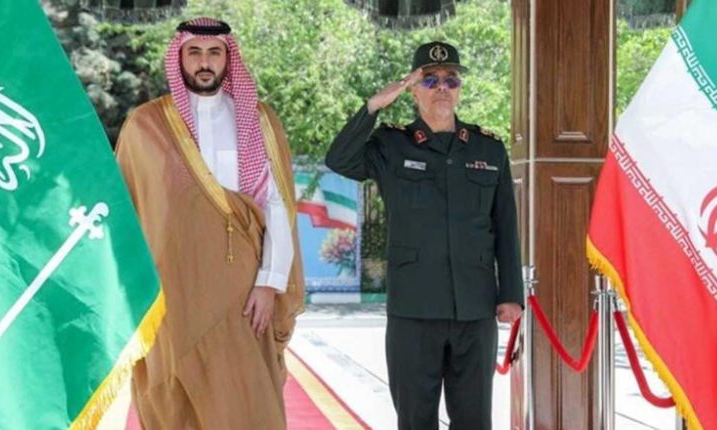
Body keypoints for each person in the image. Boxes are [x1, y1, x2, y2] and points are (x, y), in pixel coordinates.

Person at [115, 17, 304, 429]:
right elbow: (126, 215)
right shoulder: (146, 126)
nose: (205, 62)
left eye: (214, 52)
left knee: (248, 405)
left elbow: (277, 207)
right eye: (195, 52)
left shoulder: (258, 120)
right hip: (172, 295)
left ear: (228, 58)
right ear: (179, 57)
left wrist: (270, 283)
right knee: (174, 405)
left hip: (243, 292)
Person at [326, 41, 524, 430]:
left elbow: (505, 225)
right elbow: (339, 159)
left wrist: (511, 294)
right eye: (430, 80)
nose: (442, 88)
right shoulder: (390, 144)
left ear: (460, 88)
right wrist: (373, 106)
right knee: (416, 420)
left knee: (475, 420)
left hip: (474, 308)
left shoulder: (488, 148)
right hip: (414, 309)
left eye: (451, 80)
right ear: (414, 89)